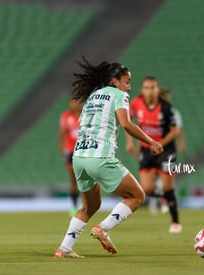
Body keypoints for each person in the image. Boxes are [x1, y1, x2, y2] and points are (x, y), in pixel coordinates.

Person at [54, 57, 163, 258]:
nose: (129, 88)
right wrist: (151, 141)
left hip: (79, 157)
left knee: (90, 206)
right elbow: (127, 124)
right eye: (127, 81)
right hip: (100, 157)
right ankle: (104, 228)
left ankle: (64, 249)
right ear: (115, 81)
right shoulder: (118, 95)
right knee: (137, 196)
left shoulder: (92, 97)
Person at [125, 77, 181, 233]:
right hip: (146, 149)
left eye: (153, 87)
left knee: (168, 186)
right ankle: (165, 197)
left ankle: (175, 222)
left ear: (157, 89)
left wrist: (160, 144)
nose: (150, 90)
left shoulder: (166, 107)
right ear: (142, 90)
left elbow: (174, 131)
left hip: (166, 150)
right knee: (147, 189)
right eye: (146, 87)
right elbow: (128, 122)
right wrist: (129, 143)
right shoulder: (136, 103)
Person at [151, 88, 186, 215]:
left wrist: (181, 143)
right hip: (154, 148)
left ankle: (165, 202)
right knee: (155, 179)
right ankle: (159, 202)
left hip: (167, 149)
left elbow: (178, 130)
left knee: (166, 178)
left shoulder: (173, 112)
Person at [58, 99, 82, 216]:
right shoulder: (66, 116)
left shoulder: (86, 116)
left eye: (77, 101)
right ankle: (74, 206)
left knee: (84, 179)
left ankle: (86, 205)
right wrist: (63, 150)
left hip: (83, 150)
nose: (75, 104)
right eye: (72, 102)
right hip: (71, 151)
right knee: (73, 179)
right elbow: (62, 134)